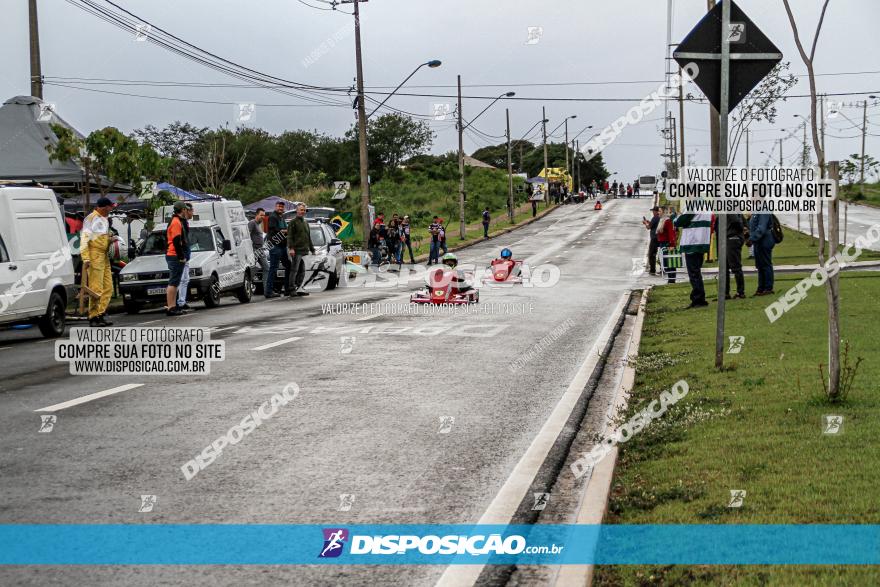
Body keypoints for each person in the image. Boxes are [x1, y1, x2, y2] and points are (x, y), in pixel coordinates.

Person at [81, 197, 116, 326]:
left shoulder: (104, 220)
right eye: (110, 207)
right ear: (103, 207)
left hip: (104, 255)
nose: (111, 209)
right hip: (94, 255)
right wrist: (86, 258)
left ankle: (101, 313)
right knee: (96, 288)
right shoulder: (91, 219)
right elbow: (84, 239)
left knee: (108, 287)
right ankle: (93, 316)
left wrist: (110, 239)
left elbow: (101, 237)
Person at [674, 211, 713, 308]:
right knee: (696, 272)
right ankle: (699, 297)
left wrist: (676, 217)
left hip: (692, 242)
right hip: (702, 242)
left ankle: (698, 299)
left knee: (694, 273)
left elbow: (679, 221)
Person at [164, 201, 189, 316]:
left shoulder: (176, 221)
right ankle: (170, 307)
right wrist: (181, 256)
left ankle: (173, 306)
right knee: (173, 282)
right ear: (182, 210)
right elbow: (176, 241)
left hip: (174, 255)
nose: (186, 211)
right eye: (185, 209)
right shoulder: (176, 222)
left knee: (175, 282)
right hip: (174, 255)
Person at [287, 203, 315, 297]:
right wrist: (291, 248)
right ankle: (291, 289)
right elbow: (290, 236)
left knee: (302, 271)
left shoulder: (306, 223)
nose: (302, 211)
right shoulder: (293, 222)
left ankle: (300, 288)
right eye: (301, 209)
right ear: (297, 210)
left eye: (304, 210)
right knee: (294, 270)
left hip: (304, 250)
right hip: (296, 250)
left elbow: (308, 237)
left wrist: (312, 249)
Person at [265, 201, 289, 298]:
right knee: (273, 268)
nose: (280, 208)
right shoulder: (273, 217)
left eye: (282, 207)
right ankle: (268, 292)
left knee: (288, 265)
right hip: (275, 246)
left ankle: (287, 288)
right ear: (275, 207)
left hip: (283, 246)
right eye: (279, 206)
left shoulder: (282, 217)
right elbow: (273, 230)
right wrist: (284, 231)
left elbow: (286, 230)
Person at [748, 213, 776, 296]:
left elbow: (761, 228)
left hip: (764, 240)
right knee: (760, 265)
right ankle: (761, 288)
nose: (751, 199)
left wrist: (752, 238)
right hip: (758, 241)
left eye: (753, 198)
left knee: (766, 265)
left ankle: (768, 288)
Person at [176, 203, 194, 311]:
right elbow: (178, 240)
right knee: (181, 279)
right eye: (191, 210)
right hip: (181, 255)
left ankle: (182, 301)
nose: (193, 213)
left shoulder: (185, 222)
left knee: (185, 279)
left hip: (185, 254)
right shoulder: (180, 222)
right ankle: (179, 303)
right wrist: (182, 254)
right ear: (186, 210)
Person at [249, 208, 269, 295]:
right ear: (256, 215)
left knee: (267, 268)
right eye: (261, 215)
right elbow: (247, 236)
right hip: (254, 250)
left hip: (261, 249)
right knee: (252, 270)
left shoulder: (260, 224)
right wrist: (251, 250)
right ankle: (247, 288)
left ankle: (266, 290)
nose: (263, 217)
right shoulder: (252, 223)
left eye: (264, 215)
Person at [725, 213, 746, 299]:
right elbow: (744, 222)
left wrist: (739, 230)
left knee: (735, 266)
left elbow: (736, 221)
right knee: (725, 267)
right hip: (732, 238)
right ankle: (725, 292)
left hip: (732, 238)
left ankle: (740, 292)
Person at [656, 207, 678, 284]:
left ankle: (672, 280)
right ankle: (670, 279)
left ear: (664, 212)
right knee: (665, 262)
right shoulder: (661, 220)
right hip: (662, 243)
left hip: (667, 244)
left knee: (670, 262)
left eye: (659, 211)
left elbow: (671, 233)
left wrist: (672, 244)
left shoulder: (667, 221)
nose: (658, 212)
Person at [642, 206, 661, 275]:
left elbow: (649, 227)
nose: (653, 212)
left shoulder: (655, 218)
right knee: (656, 253)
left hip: (654, 238)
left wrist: (645, 223)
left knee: (651, 254)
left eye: (653, 211)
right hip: (658, 237)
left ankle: (652, 270)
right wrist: (648, 222)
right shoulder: (658, 218)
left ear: (656, 211)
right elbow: (653, 224)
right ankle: (660, 267)